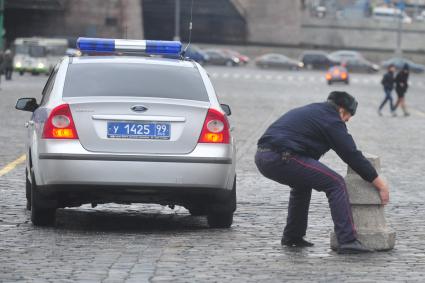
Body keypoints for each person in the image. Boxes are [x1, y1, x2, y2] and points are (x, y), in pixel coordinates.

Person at [255, 91, 390, 254]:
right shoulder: (331, 120)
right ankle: (347, 241)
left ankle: (292, 236)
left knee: (302, 185)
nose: (348, 120)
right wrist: (379, 183)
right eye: (348, 115)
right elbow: (351, 154)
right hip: (282, 157)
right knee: (336, 183)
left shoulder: (316, 111)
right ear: (341, 110)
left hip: (264, 156)